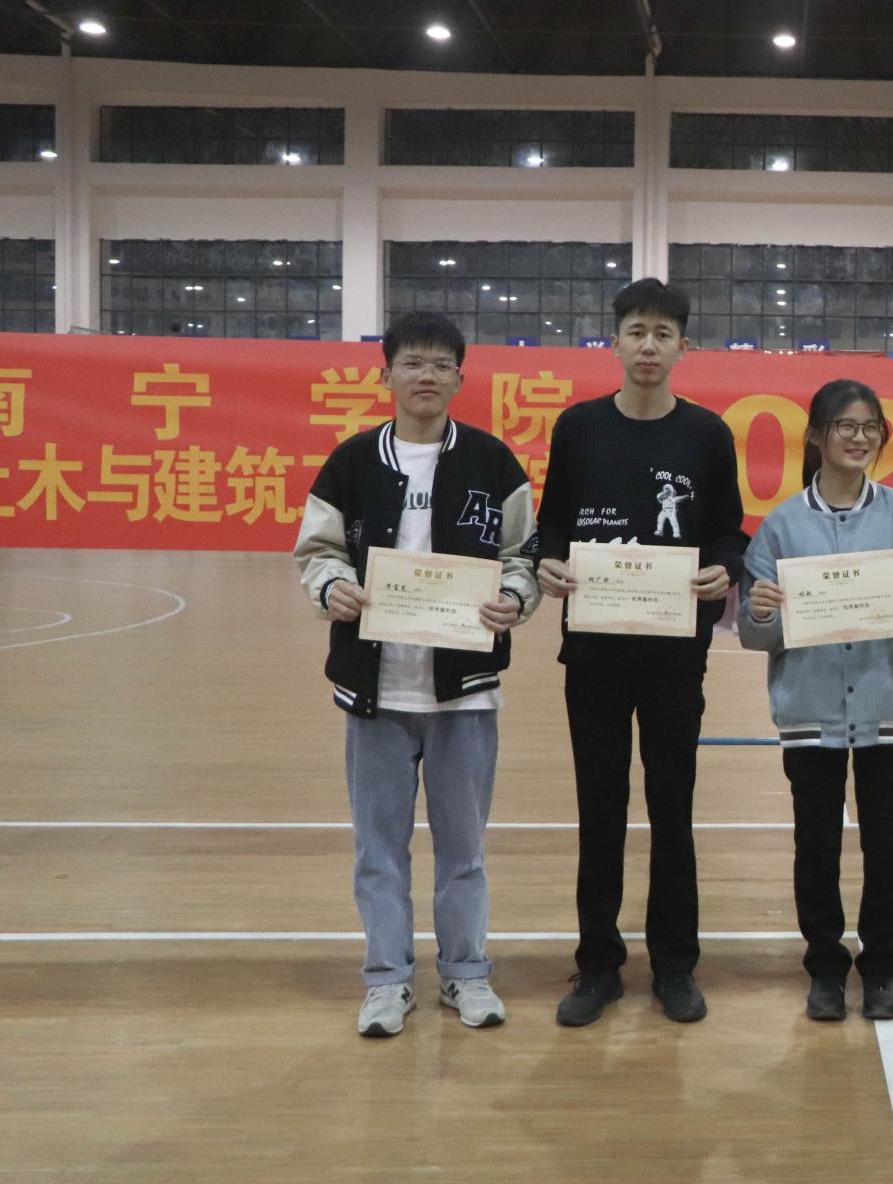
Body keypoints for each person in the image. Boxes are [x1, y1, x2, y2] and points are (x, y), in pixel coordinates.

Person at [292, 311, 538, 1038]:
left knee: (464, 851)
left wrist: (514, 598)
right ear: (386, 375)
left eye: (440, 364)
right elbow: (317, 551)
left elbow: (524, 555)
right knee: (378, 851)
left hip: (465, 692)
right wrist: (332, 586)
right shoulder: (351, 462)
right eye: (412, 363)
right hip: (377, 691)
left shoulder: (493, 462)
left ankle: (467, 973)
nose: (425, 375)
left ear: (460, 377)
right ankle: (387, 980)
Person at [537, 278, 748, 1028]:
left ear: (683, 346)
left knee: (672, 810)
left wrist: (726, 568)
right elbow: (552, 522)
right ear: (615, 342)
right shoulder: (579, 428)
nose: (649, 346)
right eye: (637, 332)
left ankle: (675, 965)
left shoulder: (707, 434)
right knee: (599, 809)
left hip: (673, 654)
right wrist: (546, 562)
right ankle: (598, 965)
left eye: (663, 334)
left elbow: (728, 529)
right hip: (594, 652)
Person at [739, 379, 893, 1022]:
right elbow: (752, 630)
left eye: (869, 427)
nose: (859, 438)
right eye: (845, 426)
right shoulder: (782, 525)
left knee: (888, 848)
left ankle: (881, 966)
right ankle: (825, 969)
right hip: (811, 710)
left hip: (891, 707)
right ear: (816, 436)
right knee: (816, 848)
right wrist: (761, 612)